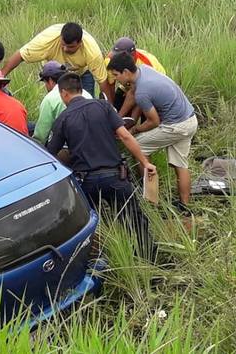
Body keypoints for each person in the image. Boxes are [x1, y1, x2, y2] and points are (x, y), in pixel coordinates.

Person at [46, 73, 157, 260]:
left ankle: (99, 262)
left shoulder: (63, 119)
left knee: (88, 226)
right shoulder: (103, 106)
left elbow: (51, 154)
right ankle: (148, 261)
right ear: (80, 89)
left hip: (86, 182)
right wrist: (145, 162)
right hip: (116, 177)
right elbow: (125, 136)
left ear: (63, 93)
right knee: (135, 221)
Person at [107, 53, 197, 210]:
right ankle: (185, 206)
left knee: (138, 147)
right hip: (190, 119)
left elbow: (154, 121)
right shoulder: (144, 70)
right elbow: (132, 95)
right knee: (180, 164)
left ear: (126, 72)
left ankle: (150, 199)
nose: (115, 79)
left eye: (116, 75)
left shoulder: (143, 91)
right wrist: (120, 118)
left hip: (176, 125)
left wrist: (134, 130)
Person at [1, 22, 110, 98]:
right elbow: (20, 55)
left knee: (86, 105)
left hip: (83, 73)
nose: (65, 49)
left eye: (70, 47)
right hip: (56, 73)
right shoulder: (47, 40)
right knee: (56, 104)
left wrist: (110, 111)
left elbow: (102, 81)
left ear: (80, 43)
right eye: (63, 45)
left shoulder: (92, 51)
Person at [32, 61, 92, 145]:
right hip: (88, 145)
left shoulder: (49, 98)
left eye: (45, 82)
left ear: (50, 80)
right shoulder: (86, 94)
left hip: (64, 149)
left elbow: (41, 135)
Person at [104, 37, 166, 117]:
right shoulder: (110, 60)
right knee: (118, 100)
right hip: (130, 83)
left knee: (146, 113)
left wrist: (121, 117)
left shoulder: (147, 64)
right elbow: (111, 85)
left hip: (153, 87)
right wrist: (112, 109)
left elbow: (138, 94)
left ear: (131, 56)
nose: (115, 59)